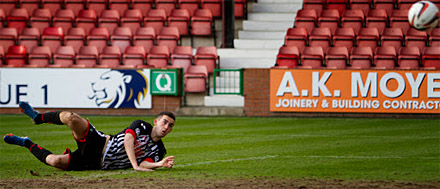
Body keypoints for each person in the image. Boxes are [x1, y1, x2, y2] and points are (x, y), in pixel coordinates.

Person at [3, 102, 175, 171]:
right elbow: (128, 139)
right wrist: (134, 165)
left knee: (54, 161)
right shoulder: (141, 125)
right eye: (165, 122)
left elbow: (147, 163)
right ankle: (37, 117)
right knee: (71, 117)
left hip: (94, 163)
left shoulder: (160, 149)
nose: (166, 127)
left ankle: (26, 143)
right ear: (156, 121)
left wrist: (160, 164)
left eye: (170, 126)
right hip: (100, 143)